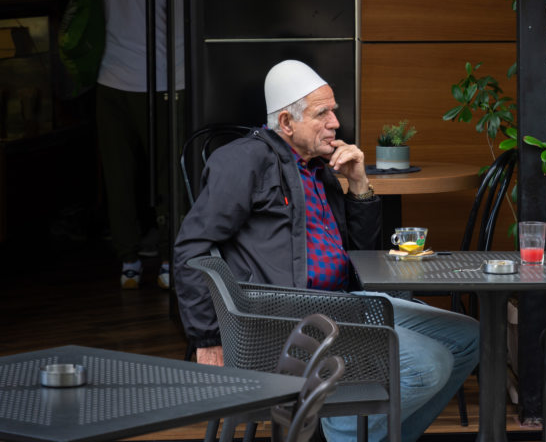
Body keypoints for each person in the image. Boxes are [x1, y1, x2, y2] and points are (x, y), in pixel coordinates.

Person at [173, 59, 479, 442]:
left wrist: (360, 184)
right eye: (323, 114)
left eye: (333, 110)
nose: (335, 122)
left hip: (348, 302)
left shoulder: (319, 167)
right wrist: (207, 340)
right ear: (286, 123)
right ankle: (345, 434)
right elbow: (192, 247)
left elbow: (363, 253)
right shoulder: (244, 160)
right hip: (290, 319)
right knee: (426, 364)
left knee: (468, 338)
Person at [85, 0, 185, 289]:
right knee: (165, 175)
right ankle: (165, 258)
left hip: (110, 81)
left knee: (118, 174)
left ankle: (127, 259)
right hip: (161, 83)